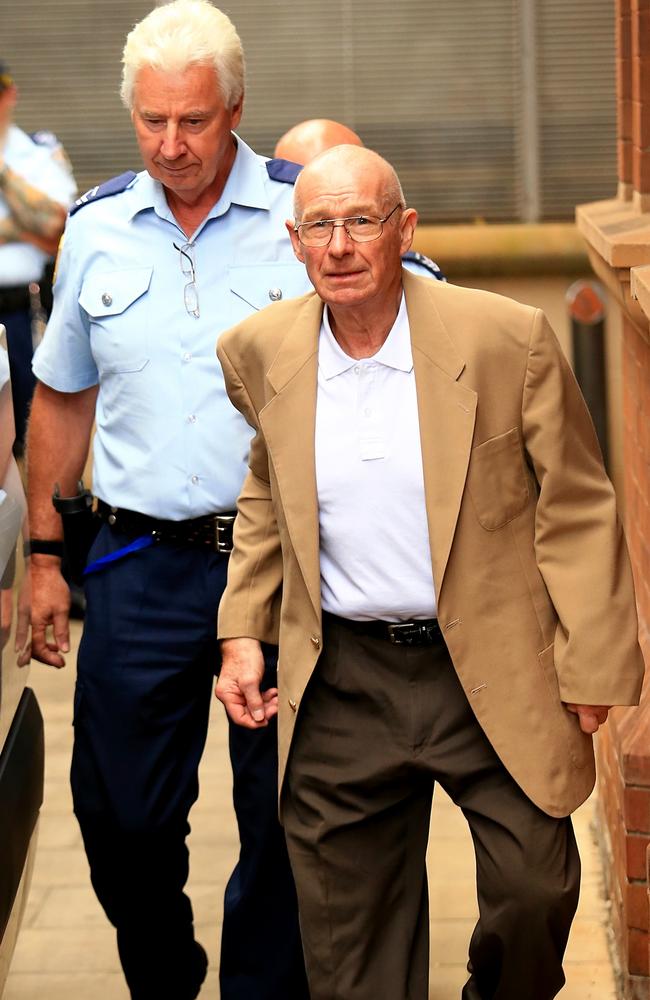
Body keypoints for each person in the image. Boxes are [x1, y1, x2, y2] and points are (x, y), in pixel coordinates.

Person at [215, 145, 645, 1000]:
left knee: (535, 890)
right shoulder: (258, 350)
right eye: (319, 227)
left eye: (361, 222)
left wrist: (592, 664)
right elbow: (267, 491)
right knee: (351, 952)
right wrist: (242, 632)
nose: (339, 245)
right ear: (295, 243)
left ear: (404, 230)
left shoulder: (502, 338)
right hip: (342, 678)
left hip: (488, 665)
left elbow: (579, 503)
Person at [26, 3, 311, 998]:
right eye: (151, 121)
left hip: (274, 568)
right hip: (137, 562)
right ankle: (166, 973)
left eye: (192, 121)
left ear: (234, 108)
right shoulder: (98, 227)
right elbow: (60, 398)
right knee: (117, 813)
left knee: (281, 813)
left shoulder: (296, 215)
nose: (171, 145)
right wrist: (43, 555)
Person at [0, 62, 76, 456]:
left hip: (22, 311)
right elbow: (42, 227)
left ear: (9, 95)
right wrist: (22, 229)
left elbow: (57, 225)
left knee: (30, 433)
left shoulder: (37, 149)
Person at [274, 117, 445, 282]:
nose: (339, 248)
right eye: (294, 181)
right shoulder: (258, 259)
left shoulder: (415, 279)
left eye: (360, 220)